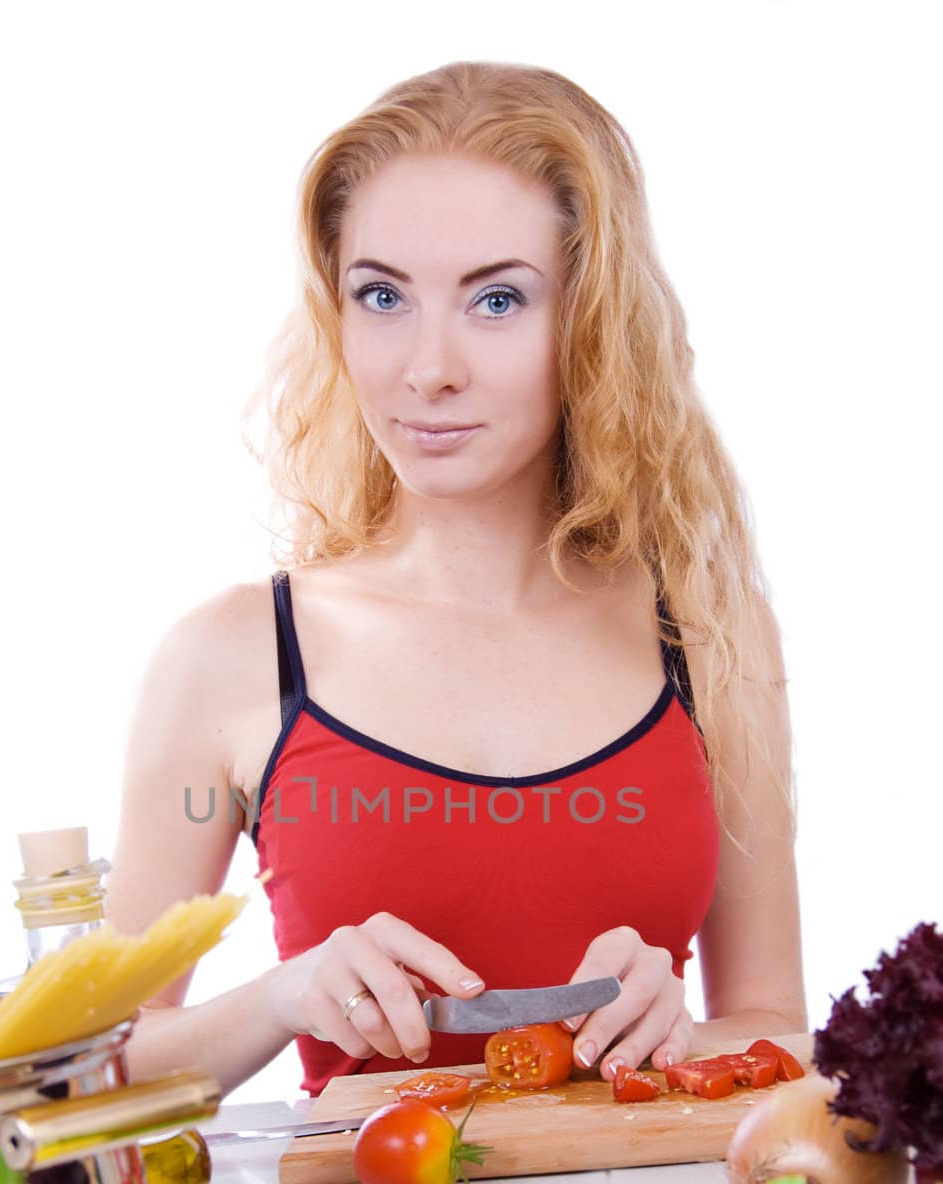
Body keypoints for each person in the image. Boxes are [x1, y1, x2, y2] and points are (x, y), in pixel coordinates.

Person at [105, 60, 807, 1099]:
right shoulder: (234, 654)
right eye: (381, 295)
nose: (426, 367)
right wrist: (279, 997)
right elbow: (97, 1068)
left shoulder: (702, 627)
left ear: (590, 321)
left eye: (495, 299)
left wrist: (680, 1032)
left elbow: (774, 1026)